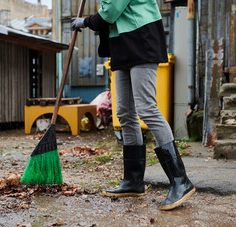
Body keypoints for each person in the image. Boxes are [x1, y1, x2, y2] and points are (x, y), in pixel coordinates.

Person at [72, 0, 195, 211]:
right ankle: (133, 181)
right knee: (124, 112)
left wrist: (84, 22)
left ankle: (180, 181)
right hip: (122, 45)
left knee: (146, 108)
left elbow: (109, 13)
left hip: (141, 40)